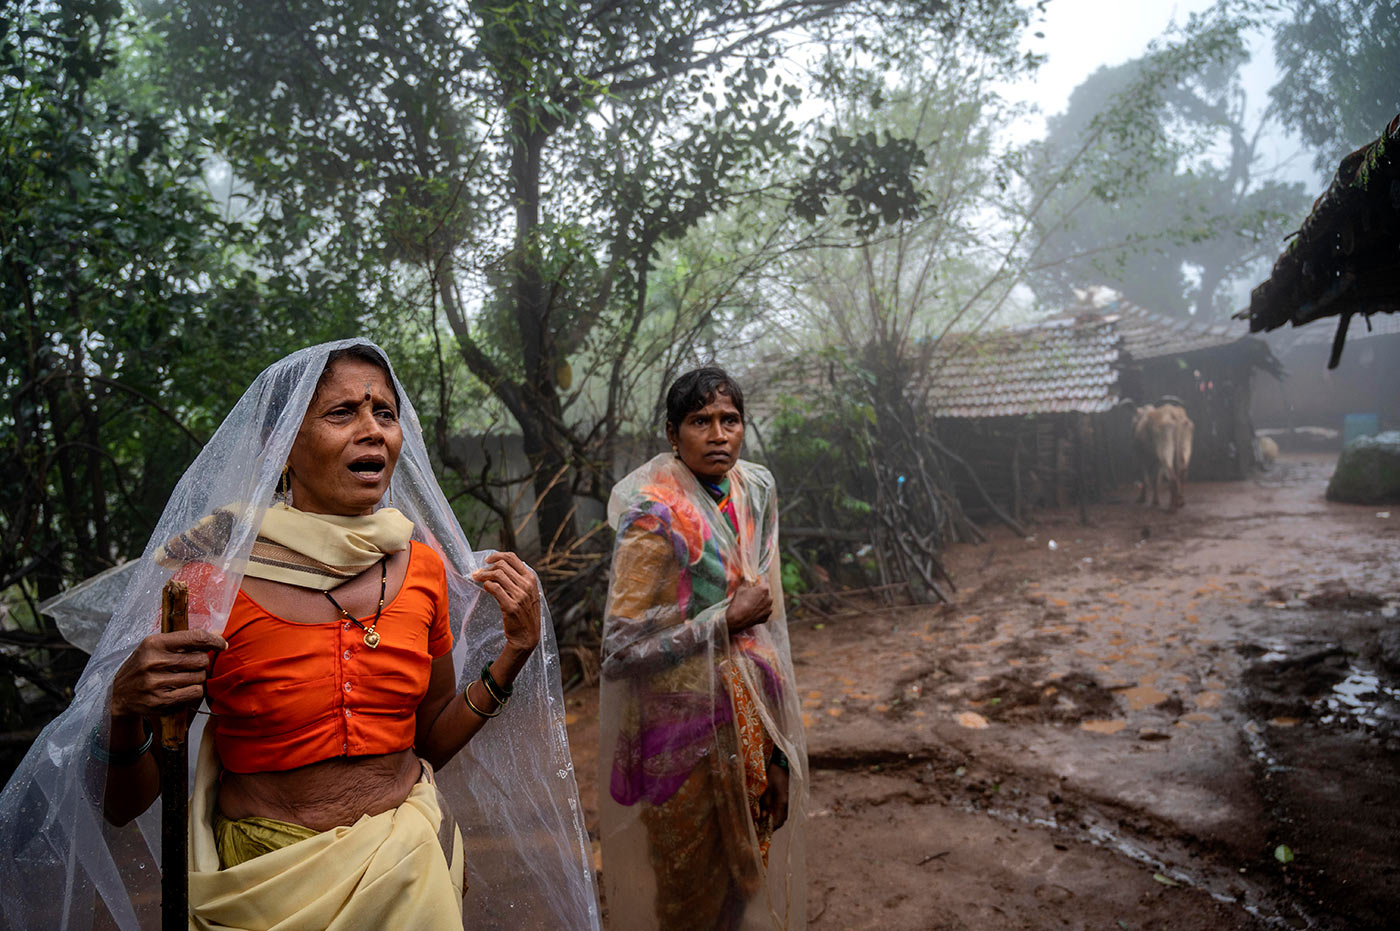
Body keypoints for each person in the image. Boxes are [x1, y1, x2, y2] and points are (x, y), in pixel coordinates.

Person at [0, 340, 599, 930]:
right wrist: (124, 708)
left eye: (384, 413)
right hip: (262, 882)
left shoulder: (422, 568)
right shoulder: (208, 581)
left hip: (408, 871)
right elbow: (125, 804)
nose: (373, 431)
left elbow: (425, 742)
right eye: (343, 412)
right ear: (281, 447)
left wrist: (512, 657)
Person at [598, 367, 807, 930]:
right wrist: (722, 620)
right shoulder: (655, 514)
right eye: (700, 421)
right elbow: (617, 651)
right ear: (673, 433)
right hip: (680, 738)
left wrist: (781, 749)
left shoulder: (754, 492)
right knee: (688, 897)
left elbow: (771, 629)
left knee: (746, 877)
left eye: (729, 420)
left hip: (751, 725)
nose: (718, 434)